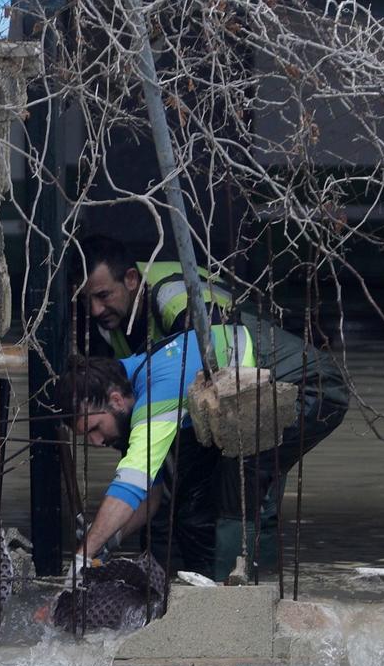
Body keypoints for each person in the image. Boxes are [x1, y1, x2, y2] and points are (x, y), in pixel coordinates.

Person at [66, 312, 347, 581]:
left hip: (311, 387)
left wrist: (83, 556)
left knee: (241, 478)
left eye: (94, 429)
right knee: (192, 502)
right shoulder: (137, 377)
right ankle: (210, 585)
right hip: (247, 402)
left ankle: (240, 594)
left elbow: (132, 481)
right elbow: (151, 495)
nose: (97, 442)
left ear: (115, 400)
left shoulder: (157, 391)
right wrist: (107, 539)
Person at [77, 233, 238, 360]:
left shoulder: (175, 300)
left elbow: (222, 356)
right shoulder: (111, 308)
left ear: (131, 279)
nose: (95, 310)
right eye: (85, 299)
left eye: (104, 295)